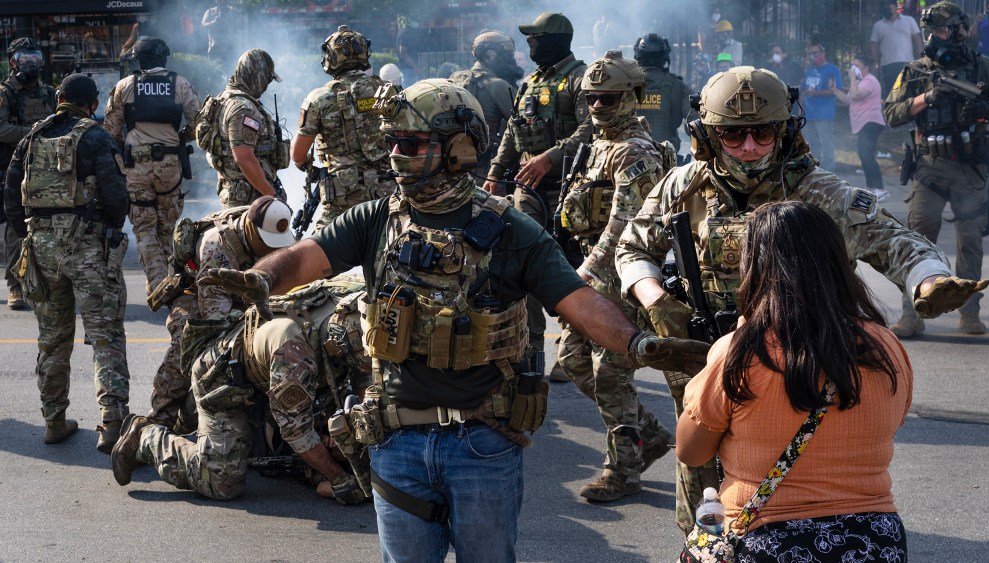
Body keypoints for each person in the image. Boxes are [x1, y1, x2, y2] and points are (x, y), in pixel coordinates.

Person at [198, 79, 710, 562]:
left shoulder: (512, 230)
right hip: (395, 440)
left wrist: (639, 344)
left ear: (460, 148)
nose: (396, 153)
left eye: (413, 143)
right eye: (394, 141)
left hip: (483, 445)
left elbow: (579, 302)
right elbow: (306, 257)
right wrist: (262, 278)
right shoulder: (376, 218)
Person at [615, 66, 987, 534]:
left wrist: (929, 281)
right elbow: (631, 247)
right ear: (706, 136)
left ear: (786, 130)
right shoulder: (681, 186)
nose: (748, 147)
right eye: (732, 135)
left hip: (793, 369)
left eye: (763, 132)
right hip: (702, 359)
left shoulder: (819, 190)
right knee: (701, 505)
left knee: (786, 494)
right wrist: (656, 300)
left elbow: (897, 241)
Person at [676, 200, 911, 560]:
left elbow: (691, 452)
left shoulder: (739, 354)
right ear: (837, 263)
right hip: (876, 540)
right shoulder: (886, 348)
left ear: (755, 268)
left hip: (766, 541)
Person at [112, 273, 373, 504]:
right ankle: (145, 437)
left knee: (332, 442)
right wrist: (340, 479)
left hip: (271, 375)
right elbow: (297, 431)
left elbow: (364, 381)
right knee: (221, 482)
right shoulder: (295, 351)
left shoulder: (354, 308)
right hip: (224, 382)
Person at [555, 51, 675, 502]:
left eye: (608, 99)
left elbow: (625, 225)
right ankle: (651, 435)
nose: (597, 107)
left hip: (621, 278)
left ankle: (624, 468)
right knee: (570, 360)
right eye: (591, 99)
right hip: (595, 273)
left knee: (611, 375)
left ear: (633, 97)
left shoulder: (635, 152)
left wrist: (583, 274)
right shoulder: (602, 143)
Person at [4, 74, 132, 452]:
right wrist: (102, 231)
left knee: (52, 338)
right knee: (105, 335)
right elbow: (116, 198)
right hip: (88, 248)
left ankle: (54, 421)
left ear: (58, 98)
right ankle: (112, 425)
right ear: (92, 104)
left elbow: (11, 199)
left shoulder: (28, 140)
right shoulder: (96, 137)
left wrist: (37, 233)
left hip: (40, 248)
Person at [483, 12, 593, 380]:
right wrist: (496, 175)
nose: (530, 45)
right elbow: (512, 134)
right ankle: (531, 349)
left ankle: (571, 347)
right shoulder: (530, 82)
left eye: (536, 38)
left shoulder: (581, 79)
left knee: (573, 267)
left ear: (556, 40)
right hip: (528, 190)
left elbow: (591, 130)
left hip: (573, 189)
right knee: (522, 259)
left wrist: (551, 157)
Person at [884, 1, 989, 336]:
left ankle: (969, 313)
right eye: (933, 31)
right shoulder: (916, 70)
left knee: (970, 242)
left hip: (970, 168)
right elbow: (891, 114)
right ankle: (912, 314)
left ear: (961, 30)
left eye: (945, 30)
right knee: (918, 241)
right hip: (929, 168)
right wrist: (926, 98)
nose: (939, 37)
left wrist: (988, 106)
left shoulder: (985, 68)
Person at [145, 196, 296, 430]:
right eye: (268, 242)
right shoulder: (218, 246)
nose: (273, 248)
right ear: (252, 232)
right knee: (187, 346)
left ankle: (193, 417)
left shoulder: (273, 228)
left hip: (237, 291)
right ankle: (158, 419)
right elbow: (215, 316)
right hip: (195, 291)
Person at [104, 36, 201, 298]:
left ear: (139, 59)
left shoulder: (125, 85)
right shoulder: (179, 84)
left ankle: (158, 283)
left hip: (135, 166)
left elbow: (110, 130)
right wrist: (183, 137)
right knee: (166, 228)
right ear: (164, 58)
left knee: (144, 228)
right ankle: (167, 282)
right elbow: (199, 122)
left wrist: (126, 147)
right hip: (170, 166)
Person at [290, 26, 393, 231]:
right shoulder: (387, 89)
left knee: (318, 258)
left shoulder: (319, 99)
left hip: (342, 199)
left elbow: (297, 155)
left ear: (330, 58)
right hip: (386, 194)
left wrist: (315, 171)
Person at [1, 38, 56, 311]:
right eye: (25, 59)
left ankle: (46, 282)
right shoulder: (6, 93)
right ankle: (15, 287)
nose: (31, 63)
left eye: (35, 58)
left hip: (49, 170)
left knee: (49, 225)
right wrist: (34, 134)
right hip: (16, 167)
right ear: (13, 62)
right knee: (16, 227)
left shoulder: (48, 92)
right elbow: (1, 129)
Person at [200, 49, 287, 209]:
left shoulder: (225, 98)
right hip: (249, 199)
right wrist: (273, 197)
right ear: (258, 76)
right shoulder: (243, 108)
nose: (267, 85)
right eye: (267, 79)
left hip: (240, 193)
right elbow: (244, 158)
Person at [449, 30, 522, 185]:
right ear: (491, 55)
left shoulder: (455, 80)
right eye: (508, 56)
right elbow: (522, 126)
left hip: (454, 167)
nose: (511, 61)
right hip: (488, 171)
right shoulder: (498, 85)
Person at [834, 54, 887, 200]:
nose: (853, 69)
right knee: (864, 156)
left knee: (867, 156)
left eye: (857, 66)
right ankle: (871, 187)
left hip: (871, 122)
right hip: (863, 124)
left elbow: (856, 95)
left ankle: (880, 188)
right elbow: (848, 100)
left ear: (866, 67)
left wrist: (851, 78)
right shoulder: (859, 82)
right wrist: (835, 90)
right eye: (852, 65)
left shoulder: (870, 80)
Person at [633, 33, 692, 153]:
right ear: (665, 56)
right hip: (666, 160)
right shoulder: (678, 86)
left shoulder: (623, 84)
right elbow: (696, 124)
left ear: (638, 55)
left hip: (628, 156)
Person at [801, 42, 843, 170]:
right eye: (809, 54)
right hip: (809, 114)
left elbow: (836, 89)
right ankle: (816, 170)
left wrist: (816, 93)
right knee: (812, 145)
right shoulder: (809, 70)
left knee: (826, 145)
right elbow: (802, 89)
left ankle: (829, 172)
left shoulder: (832, 69)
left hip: (824, 114)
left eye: (815, 53)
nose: (812, 56)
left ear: (822, 53)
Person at [870, 0, 923, 93]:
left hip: (907, 63)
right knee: (892, 93)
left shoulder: (909, 20)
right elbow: (874, 47)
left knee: (907, 92)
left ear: (895, 7)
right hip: (887, 65)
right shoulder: (878, 26)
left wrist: (921, 60)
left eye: (888, 6)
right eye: (884, 6)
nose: (886, 8)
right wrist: (874, 65)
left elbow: (918, 40)